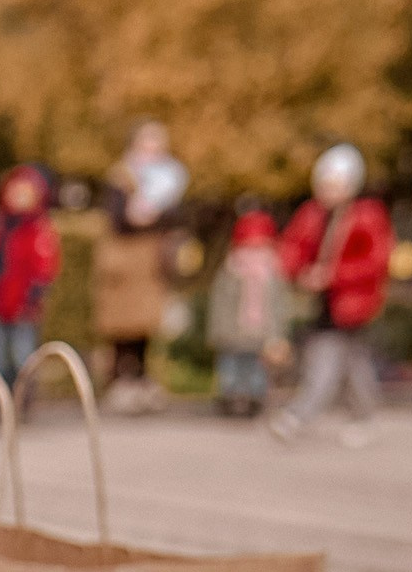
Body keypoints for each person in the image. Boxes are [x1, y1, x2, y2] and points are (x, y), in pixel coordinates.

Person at [271, 145, 394, 443]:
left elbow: (376, 261)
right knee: (352, 363)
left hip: (353, 301)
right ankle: (366, 416)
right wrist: (299, 273)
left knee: (324, 358)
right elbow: (293, 246)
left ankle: (297, 416)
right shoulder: (312, 214)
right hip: (322, 302)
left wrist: (333, 276)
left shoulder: (367, 215)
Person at [95, 125, 185, 407]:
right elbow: (116, 219)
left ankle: (142, 377)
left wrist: (153, 216)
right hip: (124, 258)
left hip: (150, 259)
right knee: (121, 322)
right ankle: (122, 378)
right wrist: (135, 216)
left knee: (145, 321)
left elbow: (174, 215)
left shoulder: (168, 177)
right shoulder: (121, 176)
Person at [0, 164, 59, 385]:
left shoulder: (38, 228)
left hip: (23, 303)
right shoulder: (0, 224)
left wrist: (33, 297)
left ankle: (23, 396)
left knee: (22, 355)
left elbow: (44, 268)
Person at [205, 205, 286, 417]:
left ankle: (253, 400)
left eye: (260, 248)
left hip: (260, 333)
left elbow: (279, 308)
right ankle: (231, 399)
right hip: (232, 333)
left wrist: (278, 336)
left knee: (257, 370)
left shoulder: (273, 274)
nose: (253, 254)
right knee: (231, 370)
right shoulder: (230, 271)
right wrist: (217, 331)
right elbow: (220, 304)